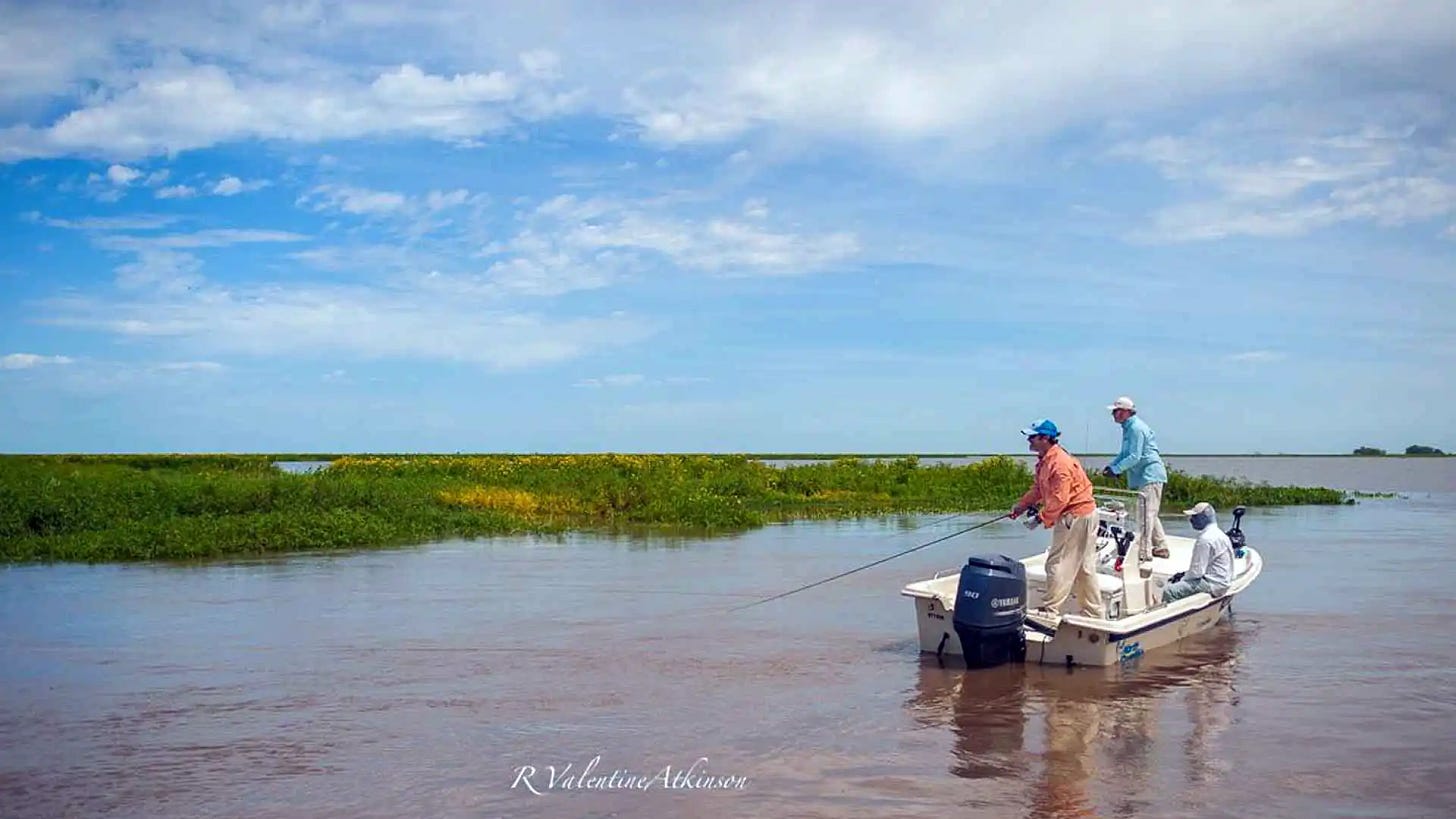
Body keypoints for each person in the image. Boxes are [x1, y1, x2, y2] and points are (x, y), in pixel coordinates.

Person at [1009, 419, 1102, 618]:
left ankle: (1051, 610)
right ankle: (1094, 612)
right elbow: (1038, 489)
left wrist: (1042, 518)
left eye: (1032, 437)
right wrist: (1021, 506)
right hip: (1080, 515)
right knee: (1084, 566)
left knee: (1057, 563)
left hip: (1076, 515)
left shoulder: (1060, 463)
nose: (1029, 440)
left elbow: (1060, 499)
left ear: (1045, 438)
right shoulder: (1045, 461)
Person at [1101, 396, 1170, 561]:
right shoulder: (1128, 428)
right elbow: (1124, 454)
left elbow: (1135, 456)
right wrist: (1112, 466)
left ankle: (1144, 554)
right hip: (1142, 476)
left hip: (1150, 475)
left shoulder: (1136, 428)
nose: (1113, 414)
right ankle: (1161, 547)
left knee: (1146, 516)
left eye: (1116, 411)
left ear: (1126, 412)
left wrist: (1117, 469)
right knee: (1150, 512)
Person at [1161, 502, 1235, 603]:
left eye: (1194, 517)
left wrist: (1181, 579)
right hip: (1223, 581)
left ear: (1204, 518)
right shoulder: (1221, 535)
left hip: (1213, 584)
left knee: (1169, 591)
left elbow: (1196, 572)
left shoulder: (1204, 539)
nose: (1191, 520)